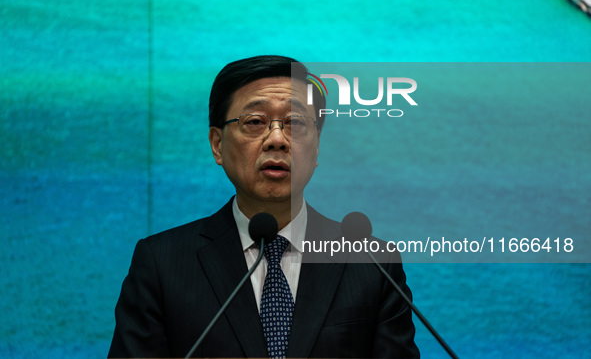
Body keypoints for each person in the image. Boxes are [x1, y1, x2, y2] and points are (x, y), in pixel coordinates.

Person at [108, 55, 419, 358]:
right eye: (255, 121)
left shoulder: (373, 264)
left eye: (295, 123)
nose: (277, 139)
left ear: (317, 146)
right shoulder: (162, 264)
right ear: (217, 144)